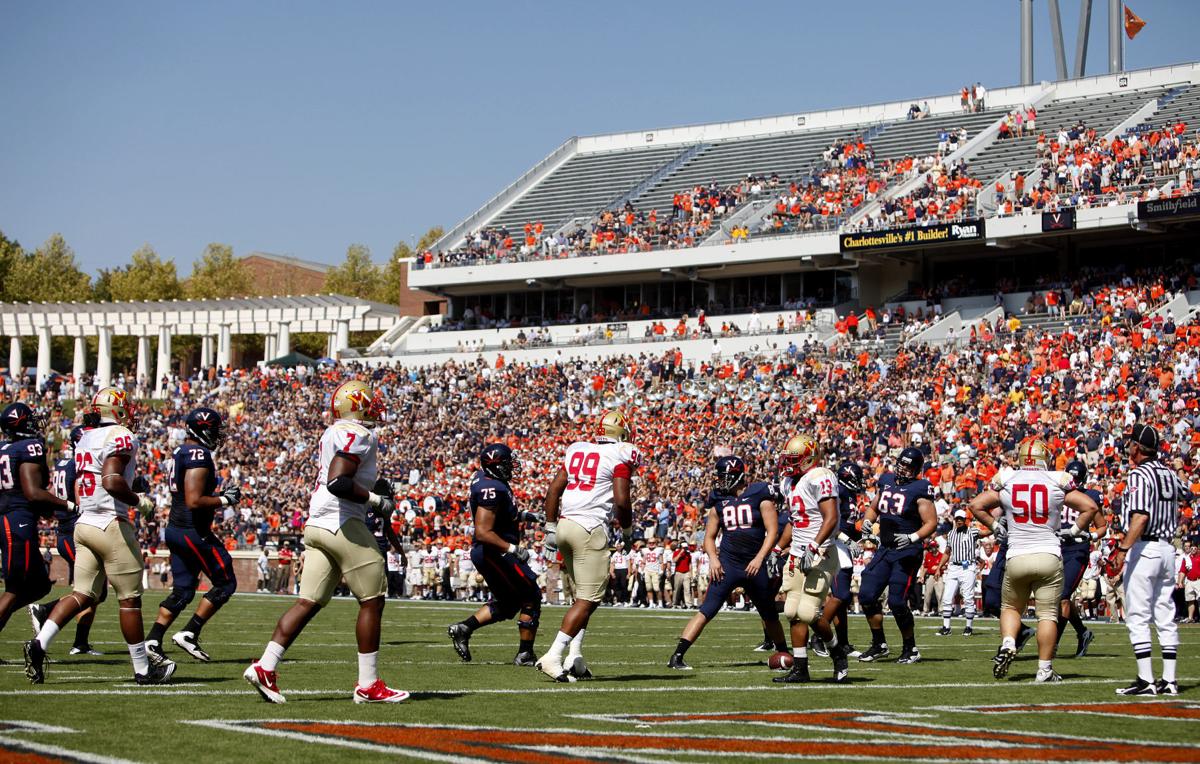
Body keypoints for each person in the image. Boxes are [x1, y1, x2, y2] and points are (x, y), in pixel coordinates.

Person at [243, 379, 407, 704]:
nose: (373, 408)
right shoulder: (358, 434)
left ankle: (265, 665)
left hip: (317, 522)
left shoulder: (334, 431)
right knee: (372, 598)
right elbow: (338, 481)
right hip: (342, 522)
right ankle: (368, 684)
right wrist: (374, 500)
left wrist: (372, 484)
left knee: (308, 601)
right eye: (369, 403)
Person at [24, 388, 175, 685]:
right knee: (129, 600)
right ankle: (144, 669)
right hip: (110, 523)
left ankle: (40, 643)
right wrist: (138, 501)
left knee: (81, 594)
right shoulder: (120, 435)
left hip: (84, 523)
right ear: (116, 409)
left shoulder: (85, 436)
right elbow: (111, 479)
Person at [970, 438, 1098, 683]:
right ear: (1044, 458)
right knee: (1048, 615)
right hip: (1049, 554)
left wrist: (996, 526)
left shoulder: (1007, 478)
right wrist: (1073, 532)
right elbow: (1090, 507)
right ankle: (1044, 670)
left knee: (1010, 608)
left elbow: (976, 505)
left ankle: (1008, 642)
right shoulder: (1056, 479)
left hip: (1017, 554)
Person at [536, 409, 638, 682]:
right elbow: (621, 500)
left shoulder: (577, 449)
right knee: (588, 599)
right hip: (589, 528)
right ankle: (554, 655)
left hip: (566, 525)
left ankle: (575, 657)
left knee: (584, 597)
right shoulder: (621, 453)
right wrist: (627, 531)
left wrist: (549, 526)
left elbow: (553, 490)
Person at [667, 456, 786, 670]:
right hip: (728, 566)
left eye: (723, 477)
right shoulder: (719, 503)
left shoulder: (760, 494)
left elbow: (773, 531)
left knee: (769, 613)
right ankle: (677, 656)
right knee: (707, 610)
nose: (719, 482)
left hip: (754, 566)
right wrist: (713, 559)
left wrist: (759, 558)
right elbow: (709, 537)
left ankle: (784, 653)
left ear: (736, 476)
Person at [145, 408, 241, 663]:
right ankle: (190, 632)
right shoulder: (198, 454)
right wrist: (224, 499)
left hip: (176, 529)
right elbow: (194, 499)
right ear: (202, 429)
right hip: (192, 530)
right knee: (225, 582)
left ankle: (153, 639)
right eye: (213, 430)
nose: (216, 435)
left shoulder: (181, 451)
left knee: (183, 591)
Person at [447, 443, 542, 666]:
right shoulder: (492, 488)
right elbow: (483, 532)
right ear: (496, 466)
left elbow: (503, 515)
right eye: (508, 464)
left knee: (509, 604)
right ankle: (525, 654)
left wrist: (528, 516)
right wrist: (512, 549)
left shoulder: (490, 481)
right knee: (531, 595)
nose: (512, 467)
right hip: (494, 551)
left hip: (491, 551)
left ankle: (464, 628)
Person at [1110, 424, 1187, 696]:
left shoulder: (1139, 474)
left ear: (1136, 448)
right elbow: (1188, 493)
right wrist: (1177, 467)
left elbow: (1140, 517)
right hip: (1168, 550)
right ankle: (1169, 680)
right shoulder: (1167, 473)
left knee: (1138, 616)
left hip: (1147, 548)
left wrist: (1122, 549)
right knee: (1165, 615)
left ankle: (1146, 680)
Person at [773, 435, 849, 684]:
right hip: (796, 553)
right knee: (792, 611)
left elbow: (832, 517)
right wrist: (777, 549)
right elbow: (795, 522)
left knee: (807, 612)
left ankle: (837, 651)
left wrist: (813, 546)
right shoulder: (789, 482)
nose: (788, 464)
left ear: (809, 459)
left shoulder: (820, 476)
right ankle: (801, 668)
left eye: (793, 460)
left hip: (821, 552)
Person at [28, 426, 105, 656]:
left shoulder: (62, 463)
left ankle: (80, 643)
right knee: (92, 591)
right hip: (74, 532)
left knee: (93, 591)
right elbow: (81, 498)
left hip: (65, 531)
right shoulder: (77, 466)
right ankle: (45, 610)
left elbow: (54, 490)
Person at [857, 446, 937, 664]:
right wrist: (867, 521)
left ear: (917, 470)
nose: (902, 469)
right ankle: (879, 644)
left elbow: (931, 522)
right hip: (885, 549)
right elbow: (874, 508)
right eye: (901, 464)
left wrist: (912, 538)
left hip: (907, 551)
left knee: (896, 601)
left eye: (908, 466)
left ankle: (910, 648)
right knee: (866, 595)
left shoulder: (921, 488)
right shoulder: (886, 480)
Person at [0, 403, 66, 644]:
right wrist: (66, 505)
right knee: (15, 587)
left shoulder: (4, 448)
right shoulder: (29, 446)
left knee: (39, 585)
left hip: (9, 516)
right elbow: (33, 492)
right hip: (17, 520)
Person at [1060, 460, 1106, 657]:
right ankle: (1083, 632)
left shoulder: (1091, 496)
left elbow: (1102, 526)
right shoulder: (1056, 492)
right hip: (1055, 549)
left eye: (1078, 478)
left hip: (1077, 549)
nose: (1075, 482)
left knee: (1061, 596)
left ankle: (1052, 642)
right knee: (1056, 598)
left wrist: (1092, 536)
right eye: (1072, 478)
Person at [937, 509, 989, 636]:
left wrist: (992, 523)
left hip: (968, 567)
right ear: (954, 520)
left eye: (961, 519)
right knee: (947, 597)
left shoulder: (972, 531)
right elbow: (947, 552)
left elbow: (987, 532)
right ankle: (946, 627)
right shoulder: (951, 534)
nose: (959, 521)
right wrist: (939, 567)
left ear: (965, 520)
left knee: (968, 597)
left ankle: (968, 627)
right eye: (957, 519)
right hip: (954, 567)